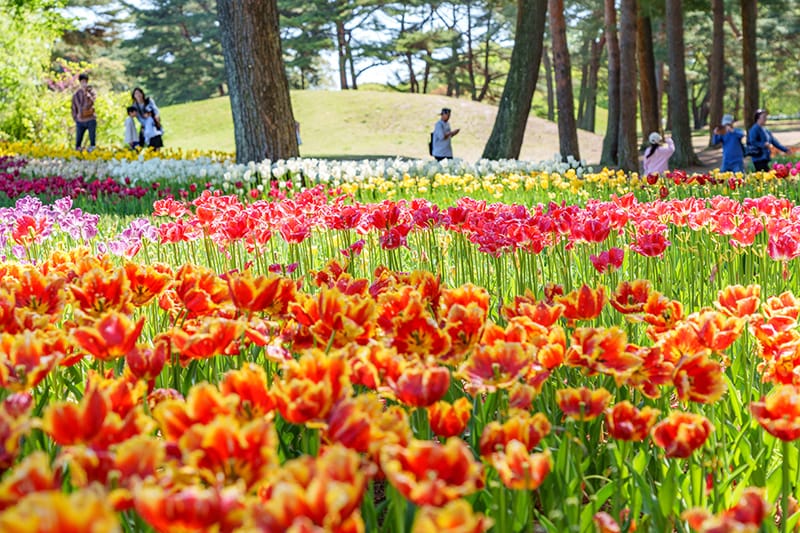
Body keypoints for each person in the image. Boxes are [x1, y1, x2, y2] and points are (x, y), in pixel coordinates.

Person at [71, 73, 97, 151]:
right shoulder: (76, 94)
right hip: (80, 121)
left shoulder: (91, 91)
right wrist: (75, 117)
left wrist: (86, 93)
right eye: (82, 81)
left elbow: (91, 102)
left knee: (92, 139)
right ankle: (78, 154)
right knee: (78, 141)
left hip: (90, 119)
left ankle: (92, 154)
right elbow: (73, 107)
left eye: (85, 81)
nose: (84, 83)